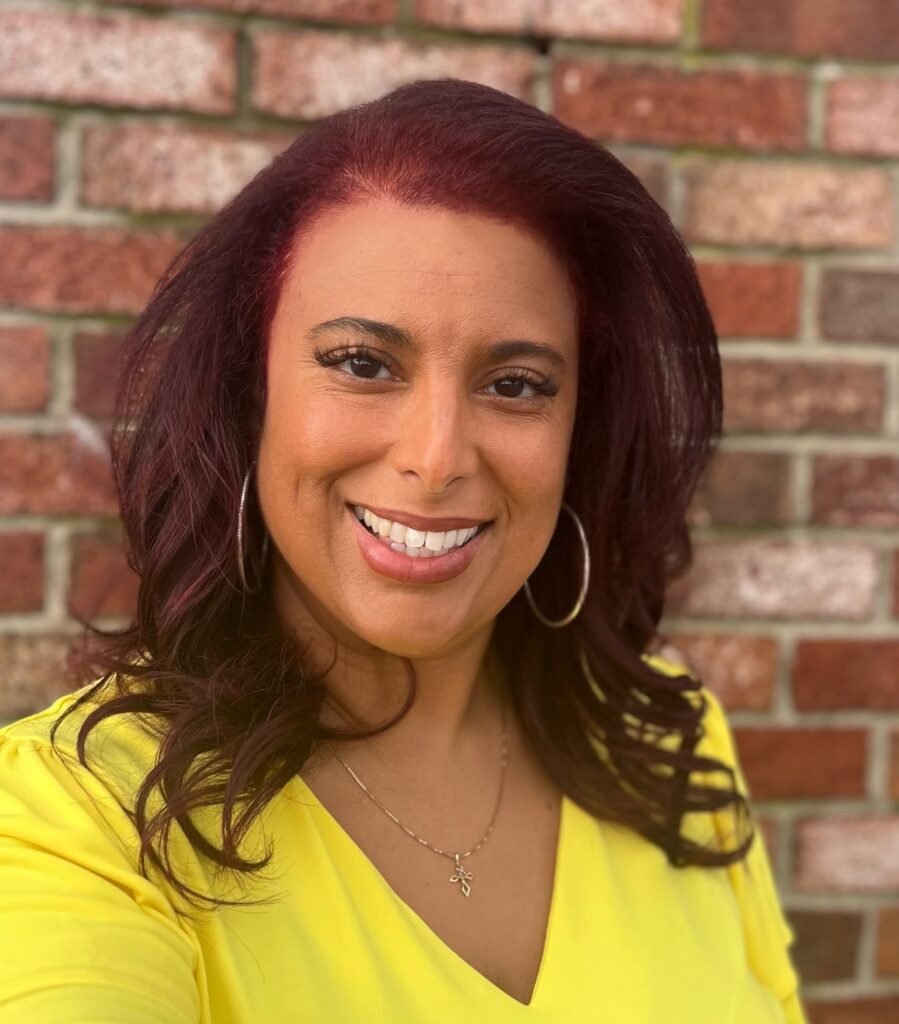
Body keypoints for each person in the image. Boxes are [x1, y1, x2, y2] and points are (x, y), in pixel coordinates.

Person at [0, 78, 806, 1022]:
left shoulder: (669, 745)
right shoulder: (80, 816)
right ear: (247, 396)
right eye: (361, 364)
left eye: (514, 383)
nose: (434, 461)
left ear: (578, 436)